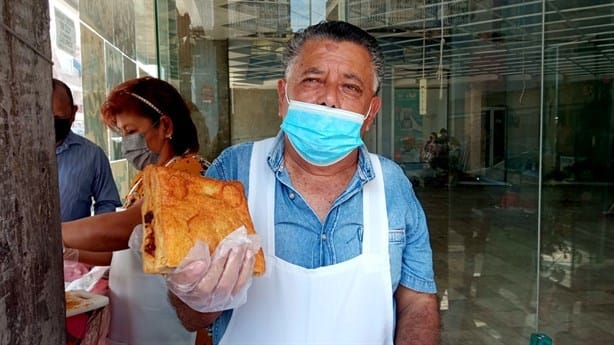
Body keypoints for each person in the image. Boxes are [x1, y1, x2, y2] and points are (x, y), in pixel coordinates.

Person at [167, 21, 439, 344]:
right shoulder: (235, 173)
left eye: (350, 87)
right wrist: (197, 296)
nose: (329, 99)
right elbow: (189, 317)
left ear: (371, 112)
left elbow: (418, 301)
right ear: (283, 96)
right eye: (313, 80)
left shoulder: (393, 188)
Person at [62, 76, 209, 345]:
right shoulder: (145, 180)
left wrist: (55, 233)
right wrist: (72, 252)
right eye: (122, 134)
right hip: (136, 322)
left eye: (131, 132)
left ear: (165, 125)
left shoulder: (188, 173)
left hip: (170, 323)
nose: (126, 143)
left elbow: (128, 226)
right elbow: (123, 249)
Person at [53, 78, 121, 222]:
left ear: (73, 113)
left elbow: (106, 204)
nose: (50, 124)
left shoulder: (92, 156)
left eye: (57, 117)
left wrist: (90, 237)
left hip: (74, 244)